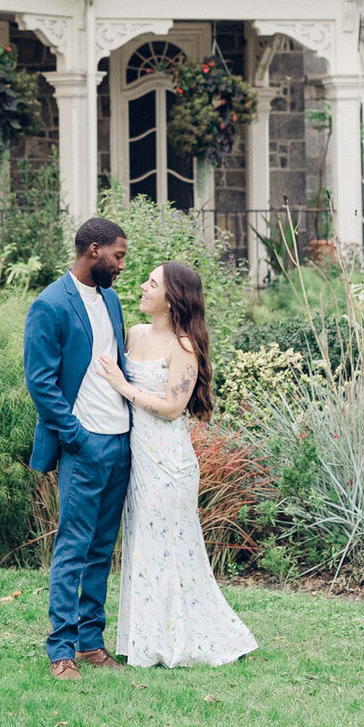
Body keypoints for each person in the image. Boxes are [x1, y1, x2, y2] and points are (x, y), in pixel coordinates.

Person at [96, 261, 257, 668]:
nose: (143, 287)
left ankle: (184, 639)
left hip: (168, 463)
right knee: (144, 548)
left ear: (172, 299)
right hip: (137, 460)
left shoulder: (182, 346)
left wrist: (123, 386)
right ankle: (145, 639)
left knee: (170, 549)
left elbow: (172, 408)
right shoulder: (133, 334)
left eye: (153, 283)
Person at [23, 217, 132, 682]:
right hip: (84, 444)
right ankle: (61, 649)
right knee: (73, 546)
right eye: (119, 255)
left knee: (102, 548)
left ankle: (91, 642)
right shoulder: (50, 305)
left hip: (121, 442)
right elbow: (41, 382)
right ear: (93, 250)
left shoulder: (111, 299)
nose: (123, 265)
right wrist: (76, 436)